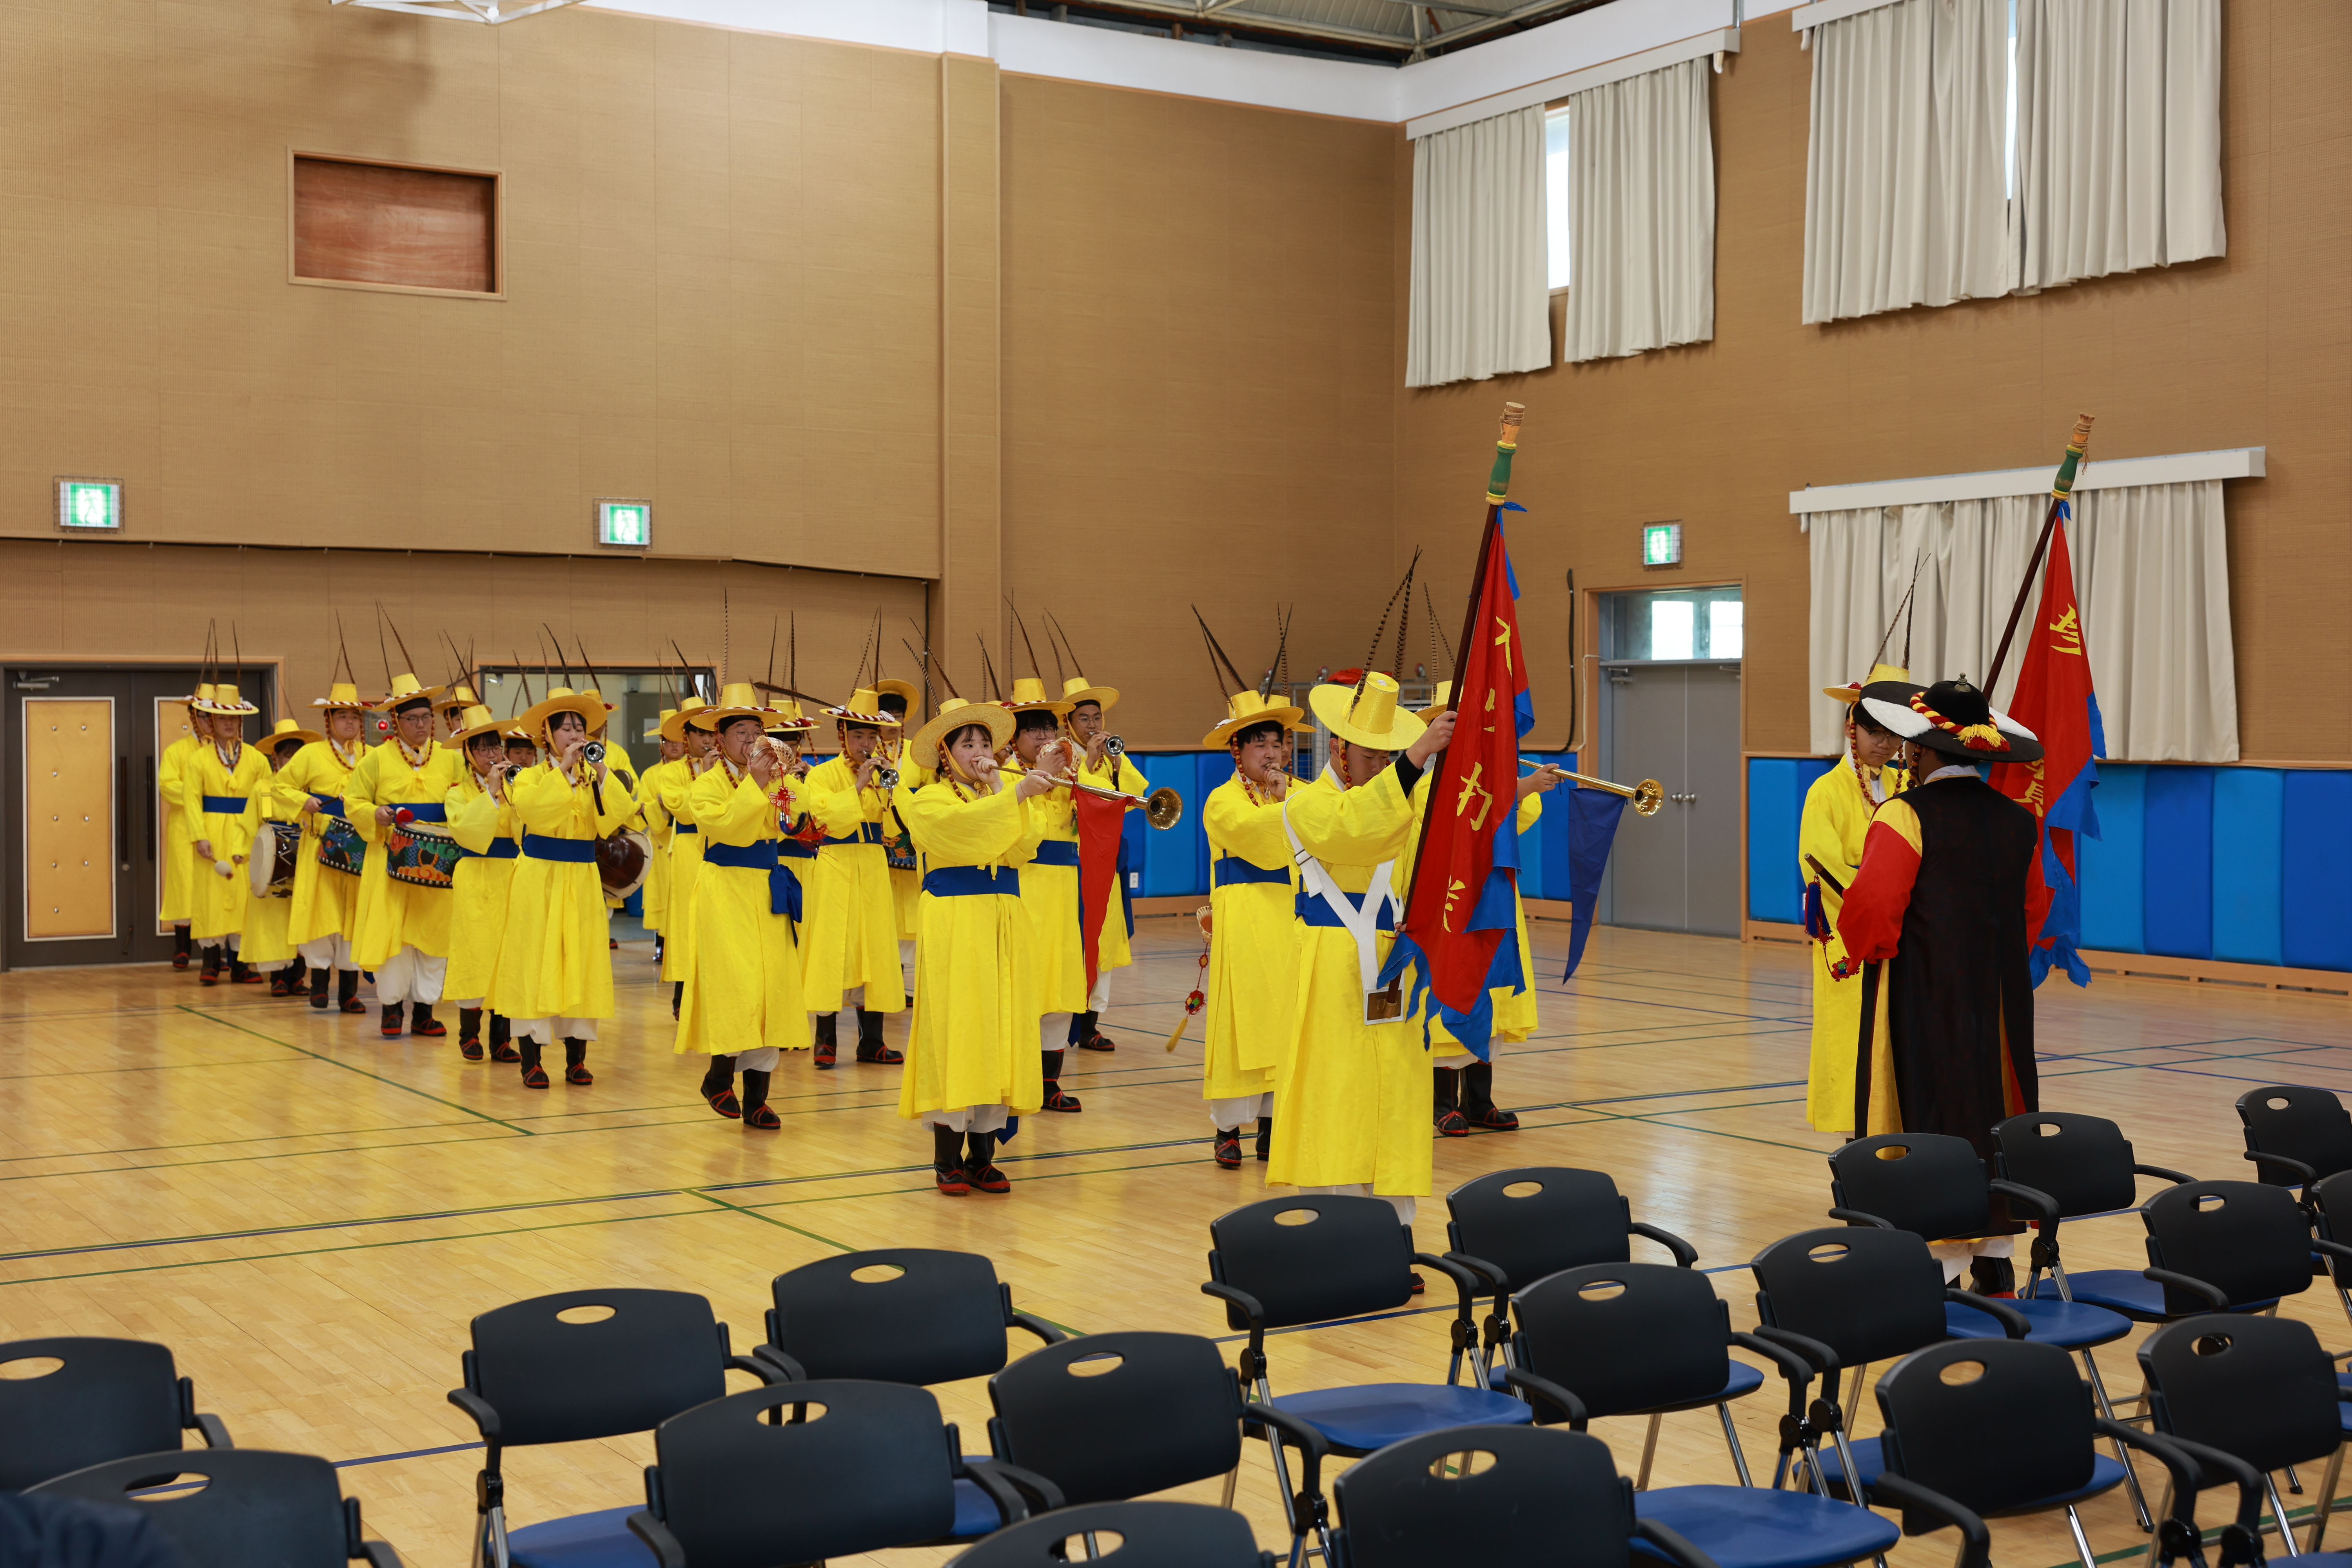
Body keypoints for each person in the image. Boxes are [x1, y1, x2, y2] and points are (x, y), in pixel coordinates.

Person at [1836, 676, 2043, 1290]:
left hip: (1925, 991)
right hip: (2003, 997)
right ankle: (1997, 1258)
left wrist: (1863, 950)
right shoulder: (2017, 820)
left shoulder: (1903, 815)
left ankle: (1942, 1268)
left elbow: (1873, 911)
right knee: (1992, 1110)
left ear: (1922, 752)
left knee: (1933, 1112)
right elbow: (2032, 910)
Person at [1269, 672, 1454, 1223]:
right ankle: (1349, 1229)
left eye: (1387, 755)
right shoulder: (1306, 805)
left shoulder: (1406, 797)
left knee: (1397, 1097)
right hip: (1332, 967)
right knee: (1342, 1094)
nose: (1378, 765)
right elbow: (1358, 830)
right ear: (1337, 748)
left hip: (1394, 964)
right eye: (1368, 754)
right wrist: (1418, 754)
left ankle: (1397, 1229)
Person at [897, 697, 1056, 1194]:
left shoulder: (1000, 788)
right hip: (956, 921)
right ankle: (948, 1155)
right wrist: (1010, 796)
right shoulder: (929, 801)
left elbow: (1024, 845)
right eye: (968, 744)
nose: (980, 752)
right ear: (945, 754)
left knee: (1002, 1026)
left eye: (986, 743)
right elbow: (963, 836)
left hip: (1002, 915)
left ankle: (983, 1153)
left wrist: (1007, 789)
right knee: (959, 1027)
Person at [1399, 682, 1562, 1138]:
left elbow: (1516, 823)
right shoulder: (1430, 783)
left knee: (1487, 995)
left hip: (1488, 899)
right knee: (1450, 995)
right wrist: (1521, 786)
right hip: (1451, 902)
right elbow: (1463, 822)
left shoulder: (1488, 780)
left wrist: (1517, 787)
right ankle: (1441, 1103)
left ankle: (1480, 1100)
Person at [488, 686, 636, 1088]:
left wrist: (602, 773)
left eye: (580, 728)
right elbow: (535, 815)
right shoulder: (529, 777)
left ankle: (576, 1058)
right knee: (534, 962)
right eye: (566, 729)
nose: (574, 736)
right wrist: (565, 772)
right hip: (540, 878)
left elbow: (616, 819)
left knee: (581, 961)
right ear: (546, 736)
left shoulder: (594, 776)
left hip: (583, 877)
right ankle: (531, 1059)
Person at [677, 685, 811, 1131]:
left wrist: (791, 780)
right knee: (737, 985)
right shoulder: (707, 785)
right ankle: (718, 1075)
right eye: (741, 732)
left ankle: (757, 1097)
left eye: (757, 732)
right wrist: (756, 782)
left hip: (768, 886)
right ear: (720, 739)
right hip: (725, 888)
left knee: (772, 987)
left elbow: (793, 823)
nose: (752, 740)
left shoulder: (773, 779)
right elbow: (728, 829)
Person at [1800, 662, 1918, 1134]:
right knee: (1854, 1042)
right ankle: (1859, 1144)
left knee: (1896, 1044)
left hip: (1900, 939)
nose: (1885, 745)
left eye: (1893, 735)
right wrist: (1879, 903)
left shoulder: (1901, 786)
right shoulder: (1824, 792)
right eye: (1874, 732)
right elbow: (1821, 867)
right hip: (1850, 943)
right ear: (1852, 727)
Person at [1198, 687, 1307, 1168]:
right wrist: (1290, 810)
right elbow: (1262, 844)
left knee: (1286, 1020)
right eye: (1259, 743)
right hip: (1243, 919)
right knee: (1241, 1023)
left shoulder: (1301, 792)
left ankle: (1272, 1127)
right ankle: (1226, 1130)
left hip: (1292, 916)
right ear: (1237, 751)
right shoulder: (1221, 801)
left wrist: (1292, 803)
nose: (1271, 752)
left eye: (1277, 742)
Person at [345, 673, 460, 1039]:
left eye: (427, 718)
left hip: (438, 859)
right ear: (396, 722)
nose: (422, 726)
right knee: (394, 933)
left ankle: (425, 1010)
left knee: (433, 933)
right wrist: (373, 815)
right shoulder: (375, 760)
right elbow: (354, 801)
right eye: (413, 719)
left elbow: (464, 798)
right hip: (390, 860)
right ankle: (391, 1008)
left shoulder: (450, 758)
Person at [799, 688, 909, 1069]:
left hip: (873, 864)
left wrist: (891, 793)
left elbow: (898, 828)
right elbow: (822, 815)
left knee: (875, 948)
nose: (866, 743)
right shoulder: (823, 773)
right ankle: (825, 1040)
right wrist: (859, 786)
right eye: (858, 735)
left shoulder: (885, 773)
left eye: (871, 736)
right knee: (833, 949)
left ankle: (873, 1040)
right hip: (835, 862)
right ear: (842, 735)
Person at [1001, 677, 1087, 1112]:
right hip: (1024, 892)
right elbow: (1018, 836)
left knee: (1061, 989)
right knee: (1027, 988)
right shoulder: (1004, 777)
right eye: (1033, 730)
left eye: (1050, 729)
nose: (1045, 738)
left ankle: (1050, 1081)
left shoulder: (1075, 771)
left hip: (1063, 894)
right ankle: (1018, 1078)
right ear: (1014, 737)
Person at [269, 682, 374, 1015]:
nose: (350, 723)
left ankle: (349, 992)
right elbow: (280, 785)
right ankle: (317, 985)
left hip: (360, 843)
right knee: (321, 910)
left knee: (353, 915)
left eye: (355, 718)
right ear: (329, 721)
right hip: (321, 842)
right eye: (342, 717)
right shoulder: (311, 754)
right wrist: (305, 800)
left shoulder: (371, 756)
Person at [1060, 672, 1148, 1054]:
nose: (1093, 725)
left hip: (1107, 857)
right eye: (1085, 719)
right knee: (1074, 941)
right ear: (1069, 723)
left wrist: (1111, 762)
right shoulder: (1061, 754)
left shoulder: (1116, 751)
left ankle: (1091, 1025)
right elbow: (1073, 797)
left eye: (1097, 718)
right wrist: (1090, 761)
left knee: (1104, 940)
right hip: (1075, 861)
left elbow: (1137, 792)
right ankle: (1065, 1022)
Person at [443, 704, 526, 1064]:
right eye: (483, 749)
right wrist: (491, 795)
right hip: (476, 874)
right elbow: (466, 832)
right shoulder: (457, 792)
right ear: (469, 755)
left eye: (496, 748)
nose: (492, 756)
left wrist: (514, 792)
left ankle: (503, 1039)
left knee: (509, 955)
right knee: (475, 954)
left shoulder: (518, 784)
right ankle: (468, 1035)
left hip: (513, 874)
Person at [180, 682, 269, 987]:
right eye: (222, 719)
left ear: (240, 721)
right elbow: (191, 799)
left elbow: (265, 799)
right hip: (213, 832)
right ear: (212, 722)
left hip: (246, 833)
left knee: (245, 894)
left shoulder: (257, 759)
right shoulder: (199, 760)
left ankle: (243, 963)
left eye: (233, 719)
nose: (229, 724)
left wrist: (264, 836)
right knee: (211, 896)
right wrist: (199, 836)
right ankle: (210, 961)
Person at [243, 719, 321, 996]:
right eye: (288, 754)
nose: (292, 761)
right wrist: (249, 861)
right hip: (274, 865)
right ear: (275, 757)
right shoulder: (262, 787)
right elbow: (250, 827)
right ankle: (278, 976)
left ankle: (299, 977)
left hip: (305, 862)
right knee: (275, 922)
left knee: (301, 918)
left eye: (298, 756)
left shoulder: (309, 790)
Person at [655, 699, 717, 1020]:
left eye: (711, 734)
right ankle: (683, 996)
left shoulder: (727, 767)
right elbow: (681, 809)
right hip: (687, 850)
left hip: (719, 849)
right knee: (686, 923)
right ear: (686, 737)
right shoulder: (673, 772)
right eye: (699, 734)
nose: (707, 741)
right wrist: (705, 777)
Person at [873, 677, 926, 1002]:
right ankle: (888, 982)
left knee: (913, 918)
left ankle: (910, 986)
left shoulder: (917, 752)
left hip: (911, 841)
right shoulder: (866, 752)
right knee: (885, 917)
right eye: (886, 715)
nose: (893, 722)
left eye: (898, 715)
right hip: (879, 843)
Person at [158, 689, 208, 971]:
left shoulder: (225, 753)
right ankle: (182, 946)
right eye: (204, 716)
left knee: (214, 882)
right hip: (185, 824)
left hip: (216, 825)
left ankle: (216, 951)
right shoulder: (176, 751)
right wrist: (200, 796)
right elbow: (168, 786)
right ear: (193, 717)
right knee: (184, 882)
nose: (209, 722)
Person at [637, 711, 685, 964]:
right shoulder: (650, 775)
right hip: (663, 841)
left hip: (689, 845)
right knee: (663, 898)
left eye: (678, 739)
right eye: (668, 740)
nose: (674, 745)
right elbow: (647, 811)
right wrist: (662, 808)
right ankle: (662, 945)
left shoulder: (699, 769)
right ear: (662, 745)